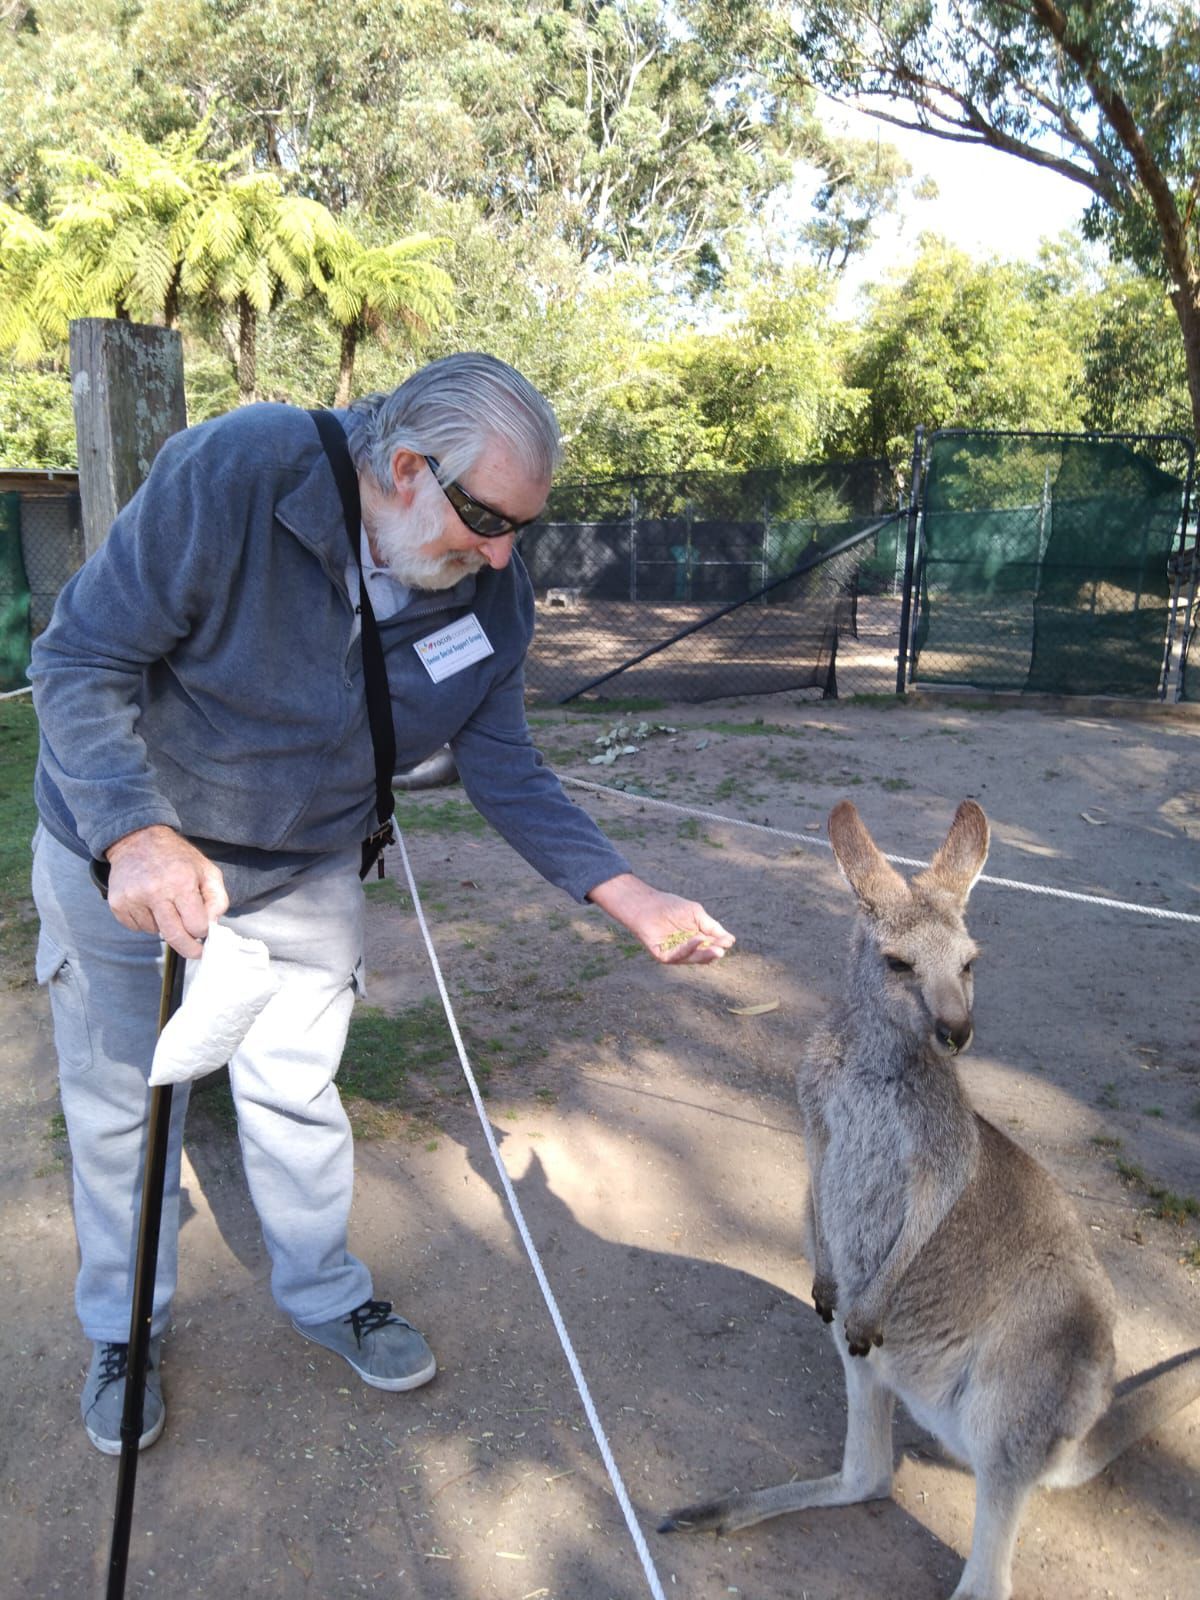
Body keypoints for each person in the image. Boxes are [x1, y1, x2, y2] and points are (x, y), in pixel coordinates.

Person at [29, 351, 735, 1456]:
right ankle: (125, 1327)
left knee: (298, 1100)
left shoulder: (491, 592)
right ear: (406, 466)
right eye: (489, 519)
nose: (505, 556)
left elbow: (503, 762)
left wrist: (629, 892)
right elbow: (80, 658)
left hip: (301, 875)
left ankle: (324, 1293)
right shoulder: (242, 470)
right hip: (131, 867)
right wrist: (134, 833)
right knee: (132, 1112)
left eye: (520, 529)